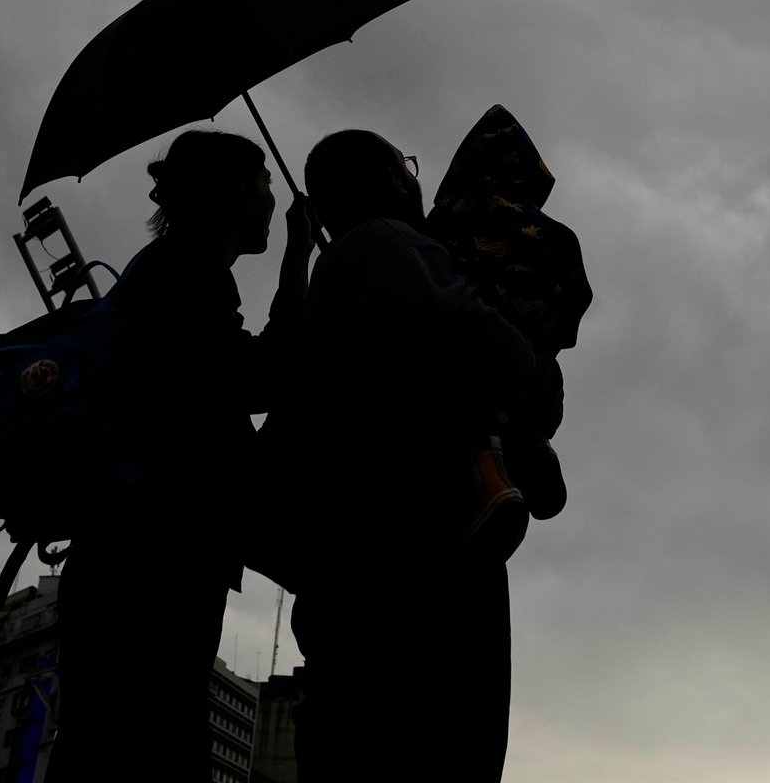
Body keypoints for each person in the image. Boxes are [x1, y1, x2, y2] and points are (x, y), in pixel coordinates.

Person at [275, 128, 561, 782]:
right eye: (403, 165)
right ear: (387, 179)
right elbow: (471, 332)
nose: (414, 177)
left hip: (352, 562)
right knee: (451, 740)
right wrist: (540, 379)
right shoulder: (384, 245)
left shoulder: (337, 270)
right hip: (424, 547)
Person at [49, 129, 315, 783]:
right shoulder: (186, 273)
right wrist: (297, 258)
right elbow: (257, 380)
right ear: (231, 192)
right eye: (262, 182)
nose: (270, 197)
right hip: (153, 562)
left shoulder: (168, 271)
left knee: (108, 747)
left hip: (129, 555)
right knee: (148, 746)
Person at [426, 103, 592, 523]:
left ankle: (490, 471)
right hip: (530, 353)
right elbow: (575, 296)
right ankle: (528, 445)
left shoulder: (448, 215)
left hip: (467, 351)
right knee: (514, 410)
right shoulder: (546, 229)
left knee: (473, 414)